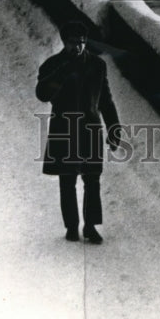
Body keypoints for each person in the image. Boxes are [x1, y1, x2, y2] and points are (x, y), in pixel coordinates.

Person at [36, 19, 120, 243]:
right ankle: (72, 226)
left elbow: (106, 100)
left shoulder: (97, 65)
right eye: (74, 42)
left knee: (92, 180)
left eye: (82, 42)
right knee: (67, 181)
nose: (79, 46)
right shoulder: (52, 65)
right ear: (65, 42)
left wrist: (114, 128)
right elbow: (42, 94)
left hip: (90, 129)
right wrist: (62, 72)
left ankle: (90, 226)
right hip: (64, 129)